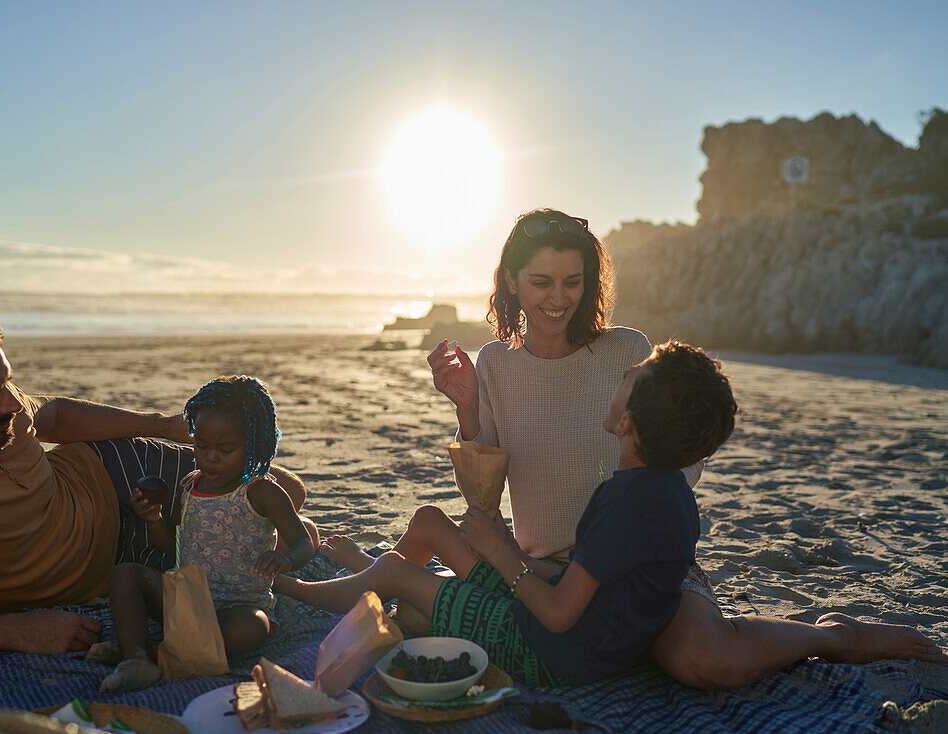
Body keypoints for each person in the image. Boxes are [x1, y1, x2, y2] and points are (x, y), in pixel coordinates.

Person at [325, 208, 946, 687]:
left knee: (703, 660)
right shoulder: (494, 364)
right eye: (540, 281)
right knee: (434, 623)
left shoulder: (626, 352)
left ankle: (830, 635)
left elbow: (678, 453)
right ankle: (367, 571)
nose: (557, 298)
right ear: (511, 281)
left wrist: (620, 522)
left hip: (628, 568)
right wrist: (466, 404)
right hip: (538, 569)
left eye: (573, 281)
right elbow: (482, 498)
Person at [0, 304, 315, 656]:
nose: (12, 402)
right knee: (270, 529)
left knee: (286, 491)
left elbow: (55, 415)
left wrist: (159, 425)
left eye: (7, 382)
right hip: (107, 562)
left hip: (109, 469)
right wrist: (10, 630)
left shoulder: (0, 412)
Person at [92, 376, 316, 693]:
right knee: (126, 574)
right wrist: (154, 519)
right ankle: (136, 657)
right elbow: (174, 547)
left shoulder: (262, 492)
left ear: (254, 445)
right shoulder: (189, 486)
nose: (210, 457)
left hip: (238, 609)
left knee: (255, 627)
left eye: (225, 449)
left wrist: (286, 558)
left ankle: (155, 653)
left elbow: (304, 543)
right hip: (188, 603)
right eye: (201, 445)